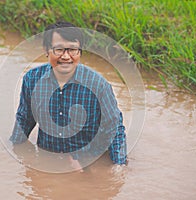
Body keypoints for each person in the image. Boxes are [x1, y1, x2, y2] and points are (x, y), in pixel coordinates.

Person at [10, 21, 127, 171]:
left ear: (80, 51)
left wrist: (119, 167)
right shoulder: (32, 79)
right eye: (58, 49)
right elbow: (24, 119)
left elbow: (114, 129)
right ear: (46, 49)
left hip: (87, 163)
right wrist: (13, 153)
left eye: (72, 49)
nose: (66, 56)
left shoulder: (99, 85)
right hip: (47, 160)